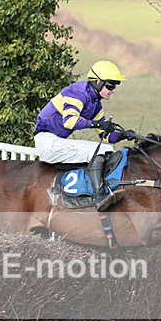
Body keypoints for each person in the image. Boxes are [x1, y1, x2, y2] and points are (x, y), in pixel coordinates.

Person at [34, 60, 134, 211]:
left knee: (107, 149)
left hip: (57, 141)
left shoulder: (96, 104)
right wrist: (97, 124)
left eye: (115, 86)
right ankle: (98, 196)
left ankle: (97, 191)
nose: (113, 90)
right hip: (47, 141)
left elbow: (106, 136)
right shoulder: (78, 92)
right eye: (110, 85)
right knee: (99, 151)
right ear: (98, 82)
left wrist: (123, 135)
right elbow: (69, 121)